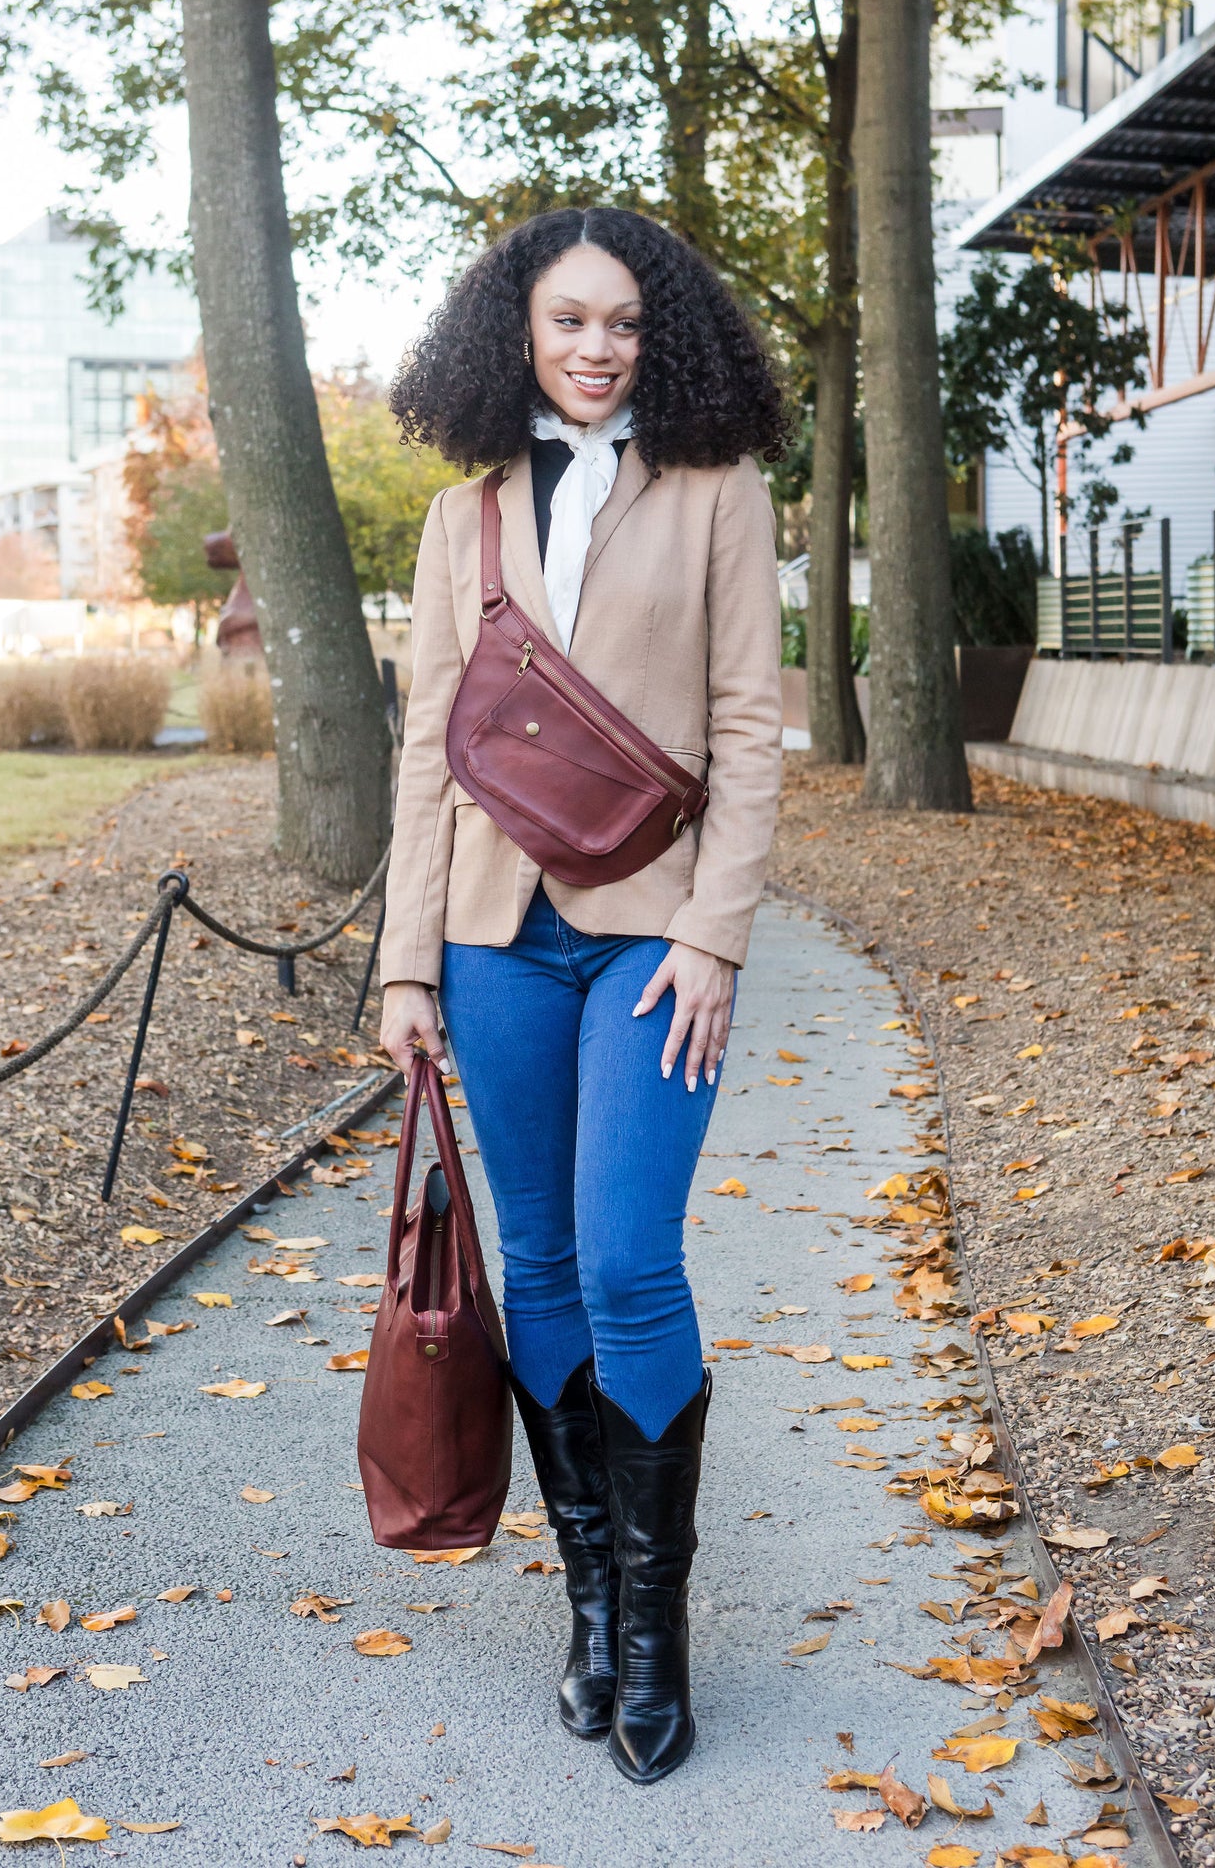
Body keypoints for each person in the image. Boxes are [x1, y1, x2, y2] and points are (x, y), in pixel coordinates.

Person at [378, 205, 785, 1784]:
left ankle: (660, 1628)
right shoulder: (456, 518)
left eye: (622, 322)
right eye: (568, 321)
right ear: (517, 333)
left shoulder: (717, 494)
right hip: (493, 936)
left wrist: (715, 937)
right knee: (537, 1260)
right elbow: (431, 754)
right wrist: (407, 959)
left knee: (626, 1260)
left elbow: (751, 729)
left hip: (648, 937)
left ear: (660, 334)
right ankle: (595, 1609)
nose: (597, 348)